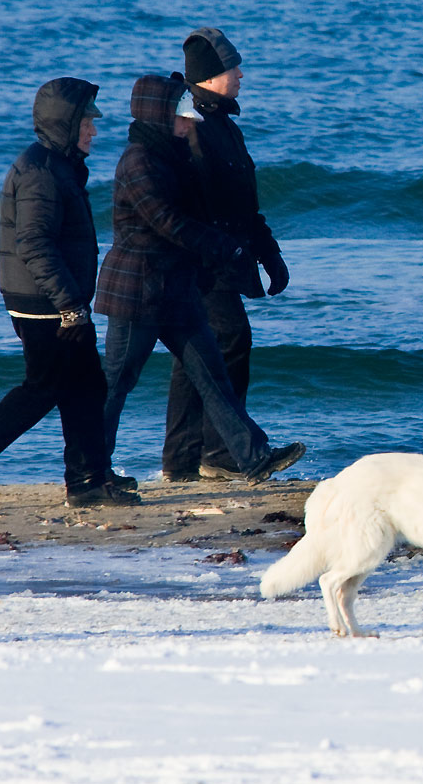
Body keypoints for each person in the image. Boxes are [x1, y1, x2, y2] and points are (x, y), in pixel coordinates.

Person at [0, 78, 140, 509]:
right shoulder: (41, 171)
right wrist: (69, 306)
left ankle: (88, 479)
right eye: (88, 121)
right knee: (45, 386)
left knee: (86, 385)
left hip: (56, 300)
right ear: (66, 123)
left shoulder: (57, 165)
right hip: (44, 304)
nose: (94, 130)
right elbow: (33, 242)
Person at [95, 75, 305, 481]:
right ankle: (91, 468)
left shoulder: (172, 157)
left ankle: (252, 455)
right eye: (184, 118)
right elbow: (168, 222)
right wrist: (227, 247)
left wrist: (259, 247)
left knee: (213, 375)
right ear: (161, 116)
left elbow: (213, 208)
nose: (191, 125)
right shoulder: (139, 161)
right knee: (116, 384)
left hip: (176, 290)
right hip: (137, 292)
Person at [161, 27, 293, 481]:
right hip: (199, 263)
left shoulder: (225, 126)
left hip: (227, 257)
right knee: (229, 340)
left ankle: (181, 459)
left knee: (196, 354)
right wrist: (209, 250)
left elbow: (244, 203)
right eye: (232, 68)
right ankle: (218, 453)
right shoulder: (191, 125)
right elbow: (183, 205)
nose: (241, 75)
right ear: (211, 77)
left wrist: (268, 254)